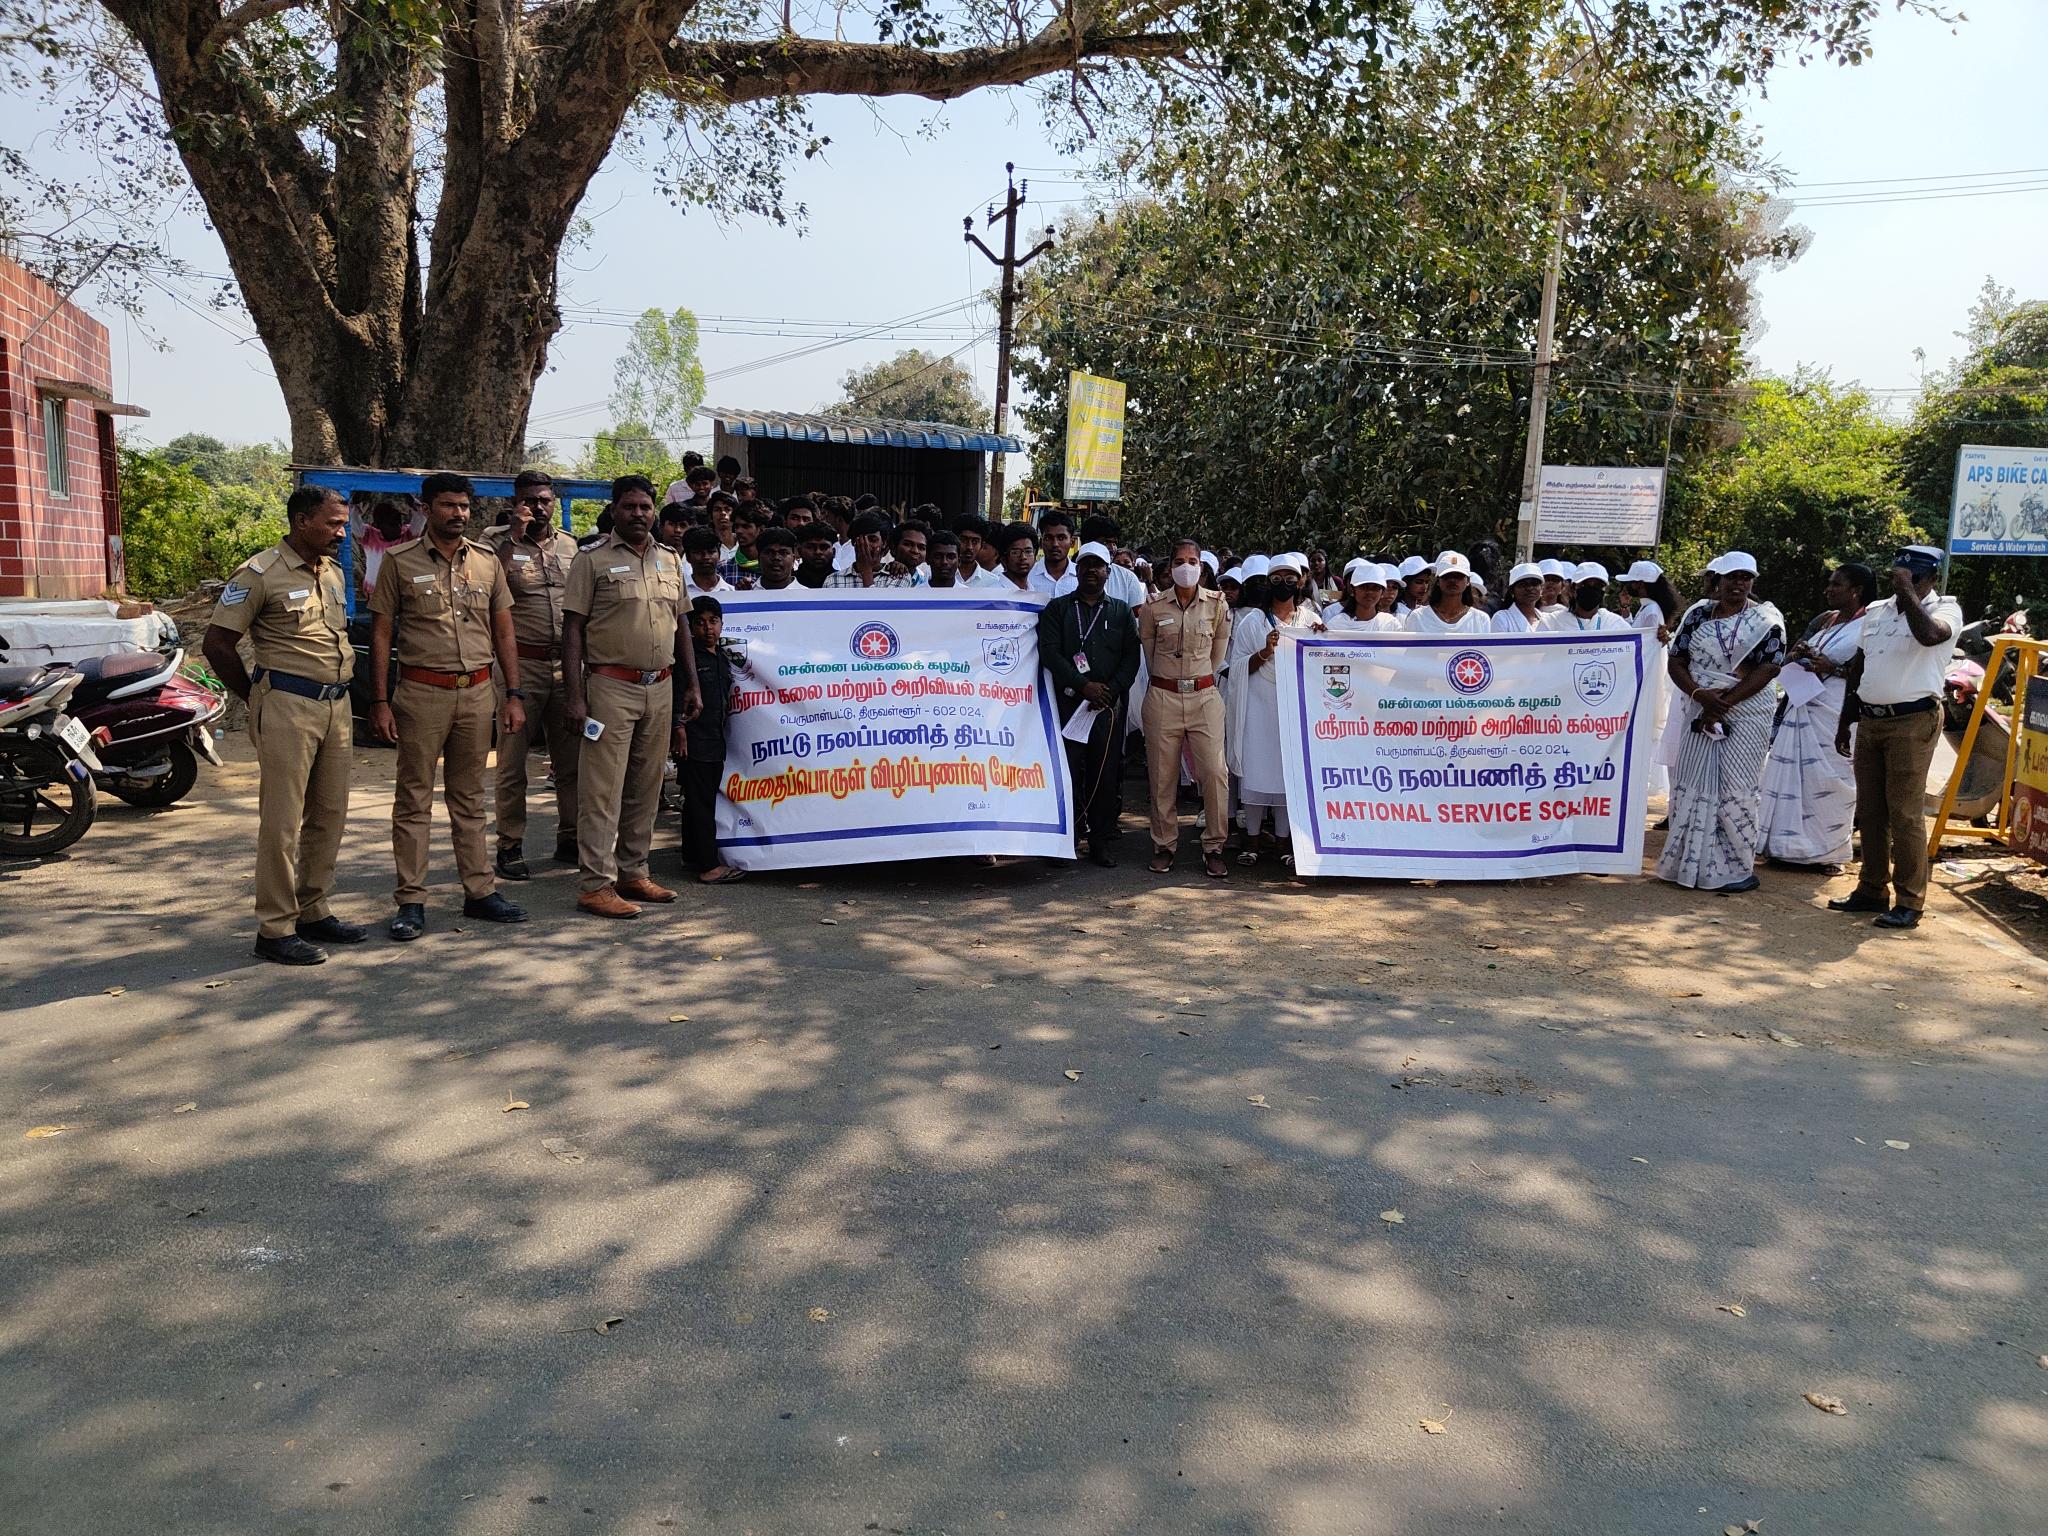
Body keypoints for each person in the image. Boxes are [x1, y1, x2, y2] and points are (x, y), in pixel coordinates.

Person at [202, 485, 364, 965]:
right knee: (283, 821)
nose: (342, 533)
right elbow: (217, 644)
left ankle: (313, 909)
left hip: (336, 705)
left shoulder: (331, 571)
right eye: (333, 523)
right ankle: (274, 928)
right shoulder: (259, 573)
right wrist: (255, 696)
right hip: (287, 706)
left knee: (329, 813)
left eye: (344, 523)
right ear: (301, 521)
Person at [366, 472, 529, 939]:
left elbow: (504, 631)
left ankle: (479, 891)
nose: (458, 513)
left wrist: (513, 694)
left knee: (470, 798)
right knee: (413, 799)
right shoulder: (399, 561)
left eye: (463, 506)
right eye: (447, 505)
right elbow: (381, 634)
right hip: (421, 694)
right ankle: (411, 900)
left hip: (477, 692)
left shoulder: (486, 562)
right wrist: (379, 701)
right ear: (426, 508)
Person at [562, 474, 703, 919]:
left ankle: (633, 871)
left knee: (647, 786)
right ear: (614, 509)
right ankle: (595, 884)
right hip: (610, 687)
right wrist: (574, 695)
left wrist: (692, 683)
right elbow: (572, 629)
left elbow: (681, 624)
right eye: (630, 506)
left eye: (645, 507)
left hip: (659, 687)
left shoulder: (670, 559)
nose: (638, 514)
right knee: (602, 790)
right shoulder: (591, 560)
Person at [1829, 545, 1963, 929]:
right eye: (1900, 577)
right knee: (1870, 810)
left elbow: (1929, 636)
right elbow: (1860, 667)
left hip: (1913, 720)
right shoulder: (1875, 611)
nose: (1905, 584)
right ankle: (1871, 888)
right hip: (1871, 719)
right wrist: (1846, 719)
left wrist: (1907, 592)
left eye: (1915, 578)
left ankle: (1910, 900)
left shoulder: (1945, 610)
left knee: (1904, 812)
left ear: (1932, 579)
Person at [1656, 551, 1785, 893]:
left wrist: (1721, 705)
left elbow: (1770, 667)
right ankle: (1688, 866)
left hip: (1746, 713)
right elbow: (1677, 660)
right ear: (1719, 580)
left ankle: (1736, 870)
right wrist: (1701, 696)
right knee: (1692, 782)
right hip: (1699, 708)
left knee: (1735, 788)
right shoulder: (1698, 614)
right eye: (1732, 577)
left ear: (1752, 582)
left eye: (1745, 578)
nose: (1739, 584)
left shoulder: (1766, 619)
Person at [484, 469, 582, 881]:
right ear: (515, 503)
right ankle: (509, 845)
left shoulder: (571, 546)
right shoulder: (493, 542)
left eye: (545, 500)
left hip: (566, 666)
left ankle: (571, 837)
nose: (538, 508)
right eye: (530, 501)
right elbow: (490, 588)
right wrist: (514, 536)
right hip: (518, 667)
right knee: (512, 763)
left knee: (571, 761)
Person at [1760, 562, 1876, 869]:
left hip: (1837, 711)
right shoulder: (1825, 620)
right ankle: (1783, 848)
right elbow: (1791, 655)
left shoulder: (1871, 624)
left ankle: (1826, 853)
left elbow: (1871, 671)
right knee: (1792, 776)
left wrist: (1833, 668)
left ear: (1856, 591)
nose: (1828, 589)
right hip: (1802, 703)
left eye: (1836, 584)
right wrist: (1799, 656)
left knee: (1831, 780)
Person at [1038, 542, 1142, 866]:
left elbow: (1131, 658)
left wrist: (1109, 690)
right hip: (1069, 703)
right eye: (1085, 565)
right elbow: (1050, 652)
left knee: (1105, 774)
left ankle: (1100, 842)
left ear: (1108, 572)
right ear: (1077, 570)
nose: (1092, 571)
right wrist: (1083, 685)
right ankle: (1067, 840)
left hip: (1106, 708)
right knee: (1067, 774)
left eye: (1098, 566)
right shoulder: (1058, 609)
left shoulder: (1121, 611)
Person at [1138, 539, 1232, 878]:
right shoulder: (1152, 607)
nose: (1186, 567)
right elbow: (1149, 654)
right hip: (1163, 695)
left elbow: (1218, 654)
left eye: (1192, 561)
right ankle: (1164, 845)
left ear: (1202, 567)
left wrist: (1197, 680)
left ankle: (1214, 846)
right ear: (1169, 567)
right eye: (1179, 561)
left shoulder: (1218, 605)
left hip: (1204, 696)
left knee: (1215, 773)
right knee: (1162, 776)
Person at [1227, 552, 1324, 866]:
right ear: (1268, 583)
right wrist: (1264, 652)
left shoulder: (1310, 620)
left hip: (1294, 709)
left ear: (1300, 582)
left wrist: (1323, 640)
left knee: (1287, 775)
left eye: (1290, 578)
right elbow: (1237, 668)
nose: (1284, 583)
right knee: (1257, 773)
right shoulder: (1252, 622)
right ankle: (1252, 842)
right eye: (1277, 579)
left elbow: (1323, 664)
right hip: (1258, 707)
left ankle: (1285, 844)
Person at [677, 596, 745, 886]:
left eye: (713, 621)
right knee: (702, 803)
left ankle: (692, 855)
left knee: (697, 800)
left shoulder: (722, 657)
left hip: (715, 740)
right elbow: (677, 692)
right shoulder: (687, 658)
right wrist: (678, 729)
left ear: (721, 624)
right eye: (700, 622)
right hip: (694, 741)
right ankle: (709, 866)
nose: (707, 628)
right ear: (690, 627)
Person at [1404, 550, 1492, 633]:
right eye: (1447, 576)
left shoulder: (1481, 619)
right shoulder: (1418, 617)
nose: (1452, 580)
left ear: (1468, 581)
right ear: (1438, 581)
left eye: (1458, 576)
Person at [1540, 563, 1631, 632]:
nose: (1591, 590)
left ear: (1605, 590)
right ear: (1573, 589)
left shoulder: (1615, 623)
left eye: (1598, 586)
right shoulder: (1552, 622)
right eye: (1584, 585)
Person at [359, 499, 416, 598]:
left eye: (399, 523)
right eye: (392, 524)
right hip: (375, 593)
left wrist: (413, 503)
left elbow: (421, 517)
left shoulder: (408, 535)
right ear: (377, 526)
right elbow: (353, 522)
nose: (398, 527)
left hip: (403, 594)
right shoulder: (369, 536)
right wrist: (355, 505)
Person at [824, 511, 894, 588]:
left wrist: (866, 571)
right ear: (853, 542)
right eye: (861, 540)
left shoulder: (896, 578)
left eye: (872, 540)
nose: (866, 545)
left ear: (884, 543)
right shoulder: (833, 581)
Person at [1031, 510, 1078, 595]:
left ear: (1072, 542)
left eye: (1061, 538)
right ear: (1041, 542)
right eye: (1048, 538)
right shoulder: (1028, 576)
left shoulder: (1082, 577)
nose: (1055, 544)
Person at [682, 526, 735, 598]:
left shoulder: (732, 592)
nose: (706, 557)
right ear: (688, 557)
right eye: (699, 552)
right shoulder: (677, 593)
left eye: (711, 552)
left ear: (719, 555)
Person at [1492, 562, 1547, 632]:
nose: (1529, 588)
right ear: (1512, 591)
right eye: (1523, 584)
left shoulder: (1546, 619)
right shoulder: (1501, 618)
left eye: (1534, 584)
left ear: (1541, 588)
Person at [985, 522, 1039, 592]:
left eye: (1028, 551)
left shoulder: (1035, 591)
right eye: (1015, 552)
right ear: (1003, 559)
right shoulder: (992, 593)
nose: (1023, 557)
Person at [752, 525, 801, 591]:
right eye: (769, 552)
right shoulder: (745, 592)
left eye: (783, 553)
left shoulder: (807, 595)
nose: (776, 557)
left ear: (793, 559)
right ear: (758, 558)